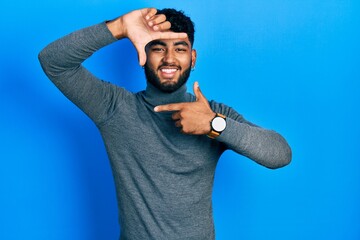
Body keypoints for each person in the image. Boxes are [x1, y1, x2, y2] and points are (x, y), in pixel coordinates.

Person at [39, 7, 291, 240]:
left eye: (180, 49)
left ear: (192, 58)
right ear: (143, 53)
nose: (169, 58)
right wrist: (118, 27)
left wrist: (214, 125)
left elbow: (280, 154)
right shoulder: (114, 107)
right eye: (158, 48)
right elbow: (53, 62)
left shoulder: (213, 114)